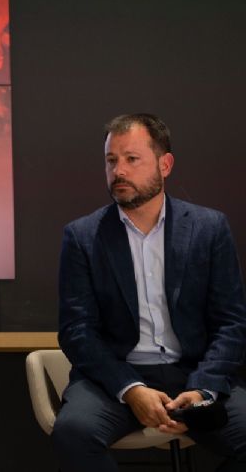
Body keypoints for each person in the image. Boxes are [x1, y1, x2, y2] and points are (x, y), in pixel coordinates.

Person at [53, 113, 246, 471]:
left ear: (165, 164)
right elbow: (76, 332)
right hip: (115, 377)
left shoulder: (208, 228)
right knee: (73, 432)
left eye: (131, 159)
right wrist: (131, 389)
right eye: (111, 161)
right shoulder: (82, 236)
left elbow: (231, 323)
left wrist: (204, 388)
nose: (118, 171)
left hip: (192, 372)